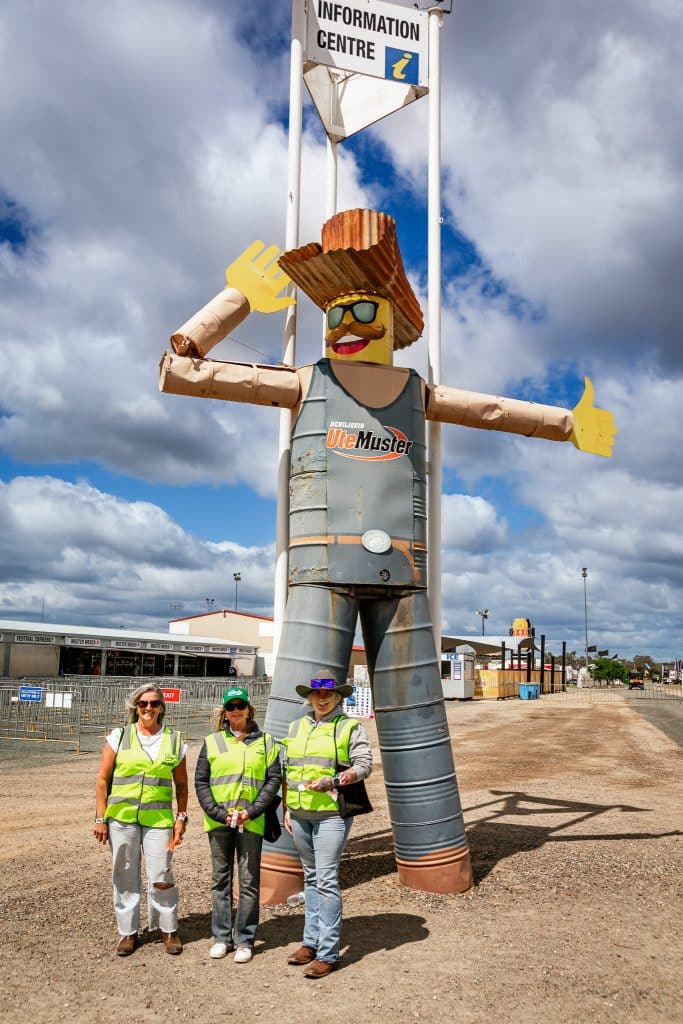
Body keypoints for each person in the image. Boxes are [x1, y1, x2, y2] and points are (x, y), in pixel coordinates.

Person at [283, 677, 373, 978]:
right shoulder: (296, 727)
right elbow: (288, 769)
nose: (322, 699)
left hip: (331, 815)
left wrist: (334, 782)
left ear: (338, 697)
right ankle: (310, 941)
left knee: (326, 880)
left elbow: (364, 765)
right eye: (317, 694)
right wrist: (287, 806)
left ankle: (328, 953)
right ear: (309, 697)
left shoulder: (349, 727)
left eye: (329, 694)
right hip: (299, 813)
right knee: (310, 878)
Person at [93, 684, 188, 956]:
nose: (148, 708)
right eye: (143, 703)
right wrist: (100, 818)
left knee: (161, 874)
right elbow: (102, 779)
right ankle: (128, 932)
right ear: (136, 706)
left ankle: (168, 929)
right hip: (122, 818)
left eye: (154, 703)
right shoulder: (119, 737)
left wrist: (181, 817)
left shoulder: (174, 740)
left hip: (158, 819)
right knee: (124, 873)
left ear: (162, 707)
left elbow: (181, 785)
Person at [194, 685, 282, 963]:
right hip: (219, 821)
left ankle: (244, 939)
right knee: (220, 880)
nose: (235, 711)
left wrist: (253, 811)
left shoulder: (266, 742)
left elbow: (273, 779)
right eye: (230, 707)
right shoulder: (212, 742)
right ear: (225, 711)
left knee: (248, 882)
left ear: (249, 709)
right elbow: (201, 781)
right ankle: (221, 937)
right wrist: (217, 812)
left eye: (240, 706)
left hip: (251, 822)